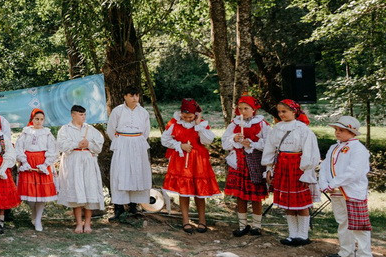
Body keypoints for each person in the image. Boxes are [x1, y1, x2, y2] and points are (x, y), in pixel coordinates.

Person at [261, 99, 320, 247]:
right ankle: (292, 234)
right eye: (279, 112)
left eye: (284, 111)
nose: (281, 114)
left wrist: (307, 172)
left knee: (301, 203)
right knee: (287, 203)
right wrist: (269, 168)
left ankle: (303, 235)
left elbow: (310, 152)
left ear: (294, 112)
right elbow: (270, 149)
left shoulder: (302, 129)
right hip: (282, 166)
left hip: (298, 167)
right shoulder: (276, 128)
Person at [319, 116, 373, 257]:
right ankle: (345, 251)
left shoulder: (359, 149)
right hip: (336, 191)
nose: (337, 132)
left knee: (359, 224)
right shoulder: (333, 147)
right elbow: (325, 167)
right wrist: (323, 183)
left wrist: (333, 183)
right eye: (336, 129)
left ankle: (364, 256)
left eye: (341, 130)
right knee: (342, 221)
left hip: (352, 191)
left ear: (352, 132)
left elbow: (354, 172)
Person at [161, 99, 220, 233]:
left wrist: (198, 125)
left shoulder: (201, 124)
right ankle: (185, 220)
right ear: (181, 113)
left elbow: (207, 140)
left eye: (190, 117)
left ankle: (202, 220)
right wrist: (180, 145)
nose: (187, 119)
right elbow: (165, 140)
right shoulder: (174, 123)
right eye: (185, 116)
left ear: (196, 115)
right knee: (184, 191)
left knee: (199, 191)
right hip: (181, 160)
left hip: (198, 161)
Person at [221, 95, 270, 237]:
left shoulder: (262, 124)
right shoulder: (234, 124)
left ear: (253, 109)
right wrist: (234, 138)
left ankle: (256, 225)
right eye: (240, 108)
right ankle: (242, 225)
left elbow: (269, 143)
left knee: (255, 195)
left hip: (255, 162)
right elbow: (225, 142)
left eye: (246, 108)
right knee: (240, 195)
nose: (242, 111)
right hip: (239, 162)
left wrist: (253, 144)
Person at [55, 105, 105, 233]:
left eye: (84, 114)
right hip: (72, 162)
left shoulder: (90, 129)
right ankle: (78, 223)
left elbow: (99, 146)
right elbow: (61, 146)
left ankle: (87, 223)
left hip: (88, 162)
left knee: (89, 190)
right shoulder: (65, 129)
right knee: (76, 191)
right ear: (73, 115)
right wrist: (76, 144)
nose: (83, 117)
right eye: (81, 114)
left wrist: (89, 144)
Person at [105, 86, 152, 220]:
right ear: (125, 96)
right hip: (122, 144)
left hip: (138, 144)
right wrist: (120, 142)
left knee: (137, 173)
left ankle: (133, 207)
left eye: (136, 95)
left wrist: (136, 141)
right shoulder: (117, 111)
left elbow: (146, 131)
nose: (135, 98)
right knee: (121, 173)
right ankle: (118, 208)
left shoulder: (143, 112)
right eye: (131, 96)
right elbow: (111, 130)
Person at [15, 109, 58, 232]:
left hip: (42, 162)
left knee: (41, 193)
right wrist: (24, 162)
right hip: (28, 162)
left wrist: (45, 164)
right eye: (36, 119)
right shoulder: (26, 132)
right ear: (32, 119)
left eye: (41, 119)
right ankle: (33, 212)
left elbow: (52, 149)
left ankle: (38, 219)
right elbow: (19, 147)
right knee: (30, 194)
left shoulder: (47, 133)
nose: (39, 121)